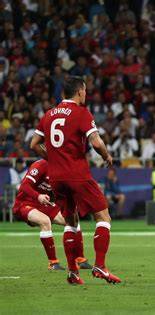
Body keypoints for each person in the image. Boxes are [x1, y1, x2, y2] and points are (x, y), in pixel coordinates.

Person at [30, 76, 121, 285]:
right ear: (80, 91)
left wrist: (53, 158)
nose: (86, 94)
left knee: (71, 222)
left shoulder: (49, 114)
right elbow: (96, 141)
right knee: (104, 218)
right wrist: (106, 156)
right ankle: (100, 266)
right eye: (85, 91)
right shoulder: (81, 113)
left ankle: (72, 272)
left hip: (57, 178)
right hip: (77, 175)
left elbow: (34, 143)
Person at [13, 159, 92, 271]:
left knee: (72, 220)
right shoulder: (41, 165)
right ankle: (53, 263)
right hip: (24, 203)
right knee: (45, 221)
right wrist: (38, 196)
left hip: (44, 202)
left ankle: (80, 259)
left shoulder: (63, 167)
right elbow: (24, 186)